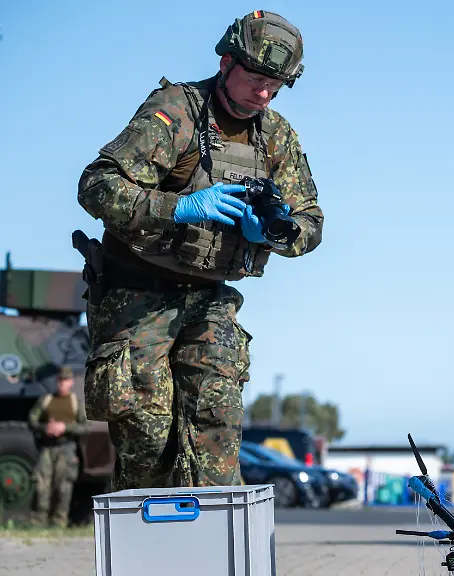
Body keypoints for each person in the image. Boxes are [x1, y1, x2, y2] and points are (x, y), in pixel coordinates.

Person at [75, 10, 323, 491]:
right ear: (226, 62)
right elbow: (96, 186)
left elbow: (310, 221)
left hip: (210, 297)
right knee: (149, 440)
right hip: (137, 295)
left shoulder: (275, 136)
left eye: (276, 86)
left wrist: (274, 233)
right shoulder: (176, 112)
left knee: (218, 433)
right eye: (255, 79)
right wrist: (179, 207)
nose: (264, 95)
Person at [27, 366, 88, 527]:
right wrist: (45, 428)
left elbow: (85, 427)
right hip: (47, 448)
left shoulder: (75, 403)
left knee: (63, 487)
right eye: (60, 380)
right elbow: (32, 421)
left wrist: (65, 428)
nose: (62, 383)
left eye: (66, 380)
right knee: (41, 485)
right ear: (57, 381)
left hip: (67, 448)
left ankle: (59, 522)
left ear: (71, 382)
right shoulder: (46, 400)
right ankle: (38, 522)